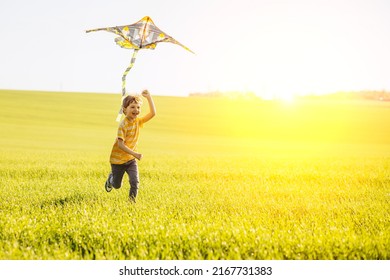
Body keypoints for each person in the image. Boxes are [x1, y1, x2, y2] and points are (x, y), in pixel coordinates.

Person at [105, 90, 156, 203]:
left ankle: (131, 203)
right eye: (132, 107)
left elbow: (153, 114)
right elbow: (120, 144)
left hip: (130, 160)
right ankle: (111, 178)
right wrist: (135, 154)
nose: (136, 110)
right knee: (117, 185)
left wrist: (149, 98)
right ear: (124, 110)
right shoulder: (122, 125)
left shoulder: (138, 122)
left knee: (135, 181)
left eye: (138, 107)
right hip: (118, 161)